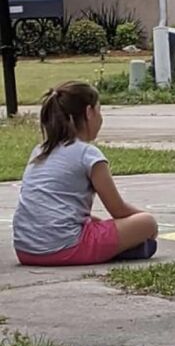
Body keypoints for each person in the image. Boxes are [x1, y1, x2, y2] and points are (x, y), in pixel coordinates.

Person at [12, 82, 159, 266]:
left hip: (26, 250)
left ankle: (122, 247)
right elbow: (118, 209)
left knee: (93, 221)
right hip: (65, 247)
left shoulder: (40, 151)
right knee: (146, 222)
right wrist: (146, 223)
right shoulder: (87, 154)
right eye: (99, 110)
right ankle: (126, 247)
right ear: (89, 112)